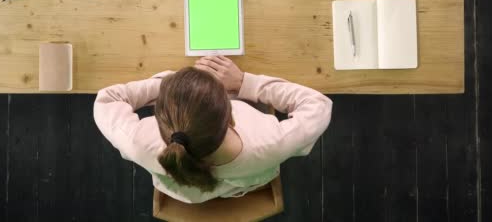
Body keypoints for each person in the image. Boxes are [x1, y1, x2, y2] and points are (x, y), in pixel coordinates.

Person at [93, 56, 332, 203]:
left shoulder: (139, 141)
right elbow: (318, 105)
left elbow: (107, 100)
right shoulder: (269, 143)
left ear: (161, 119)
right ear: (231, 118)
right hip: (249, 180)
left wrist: (169, 84)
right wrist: (242, 83)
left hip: (186, 195)